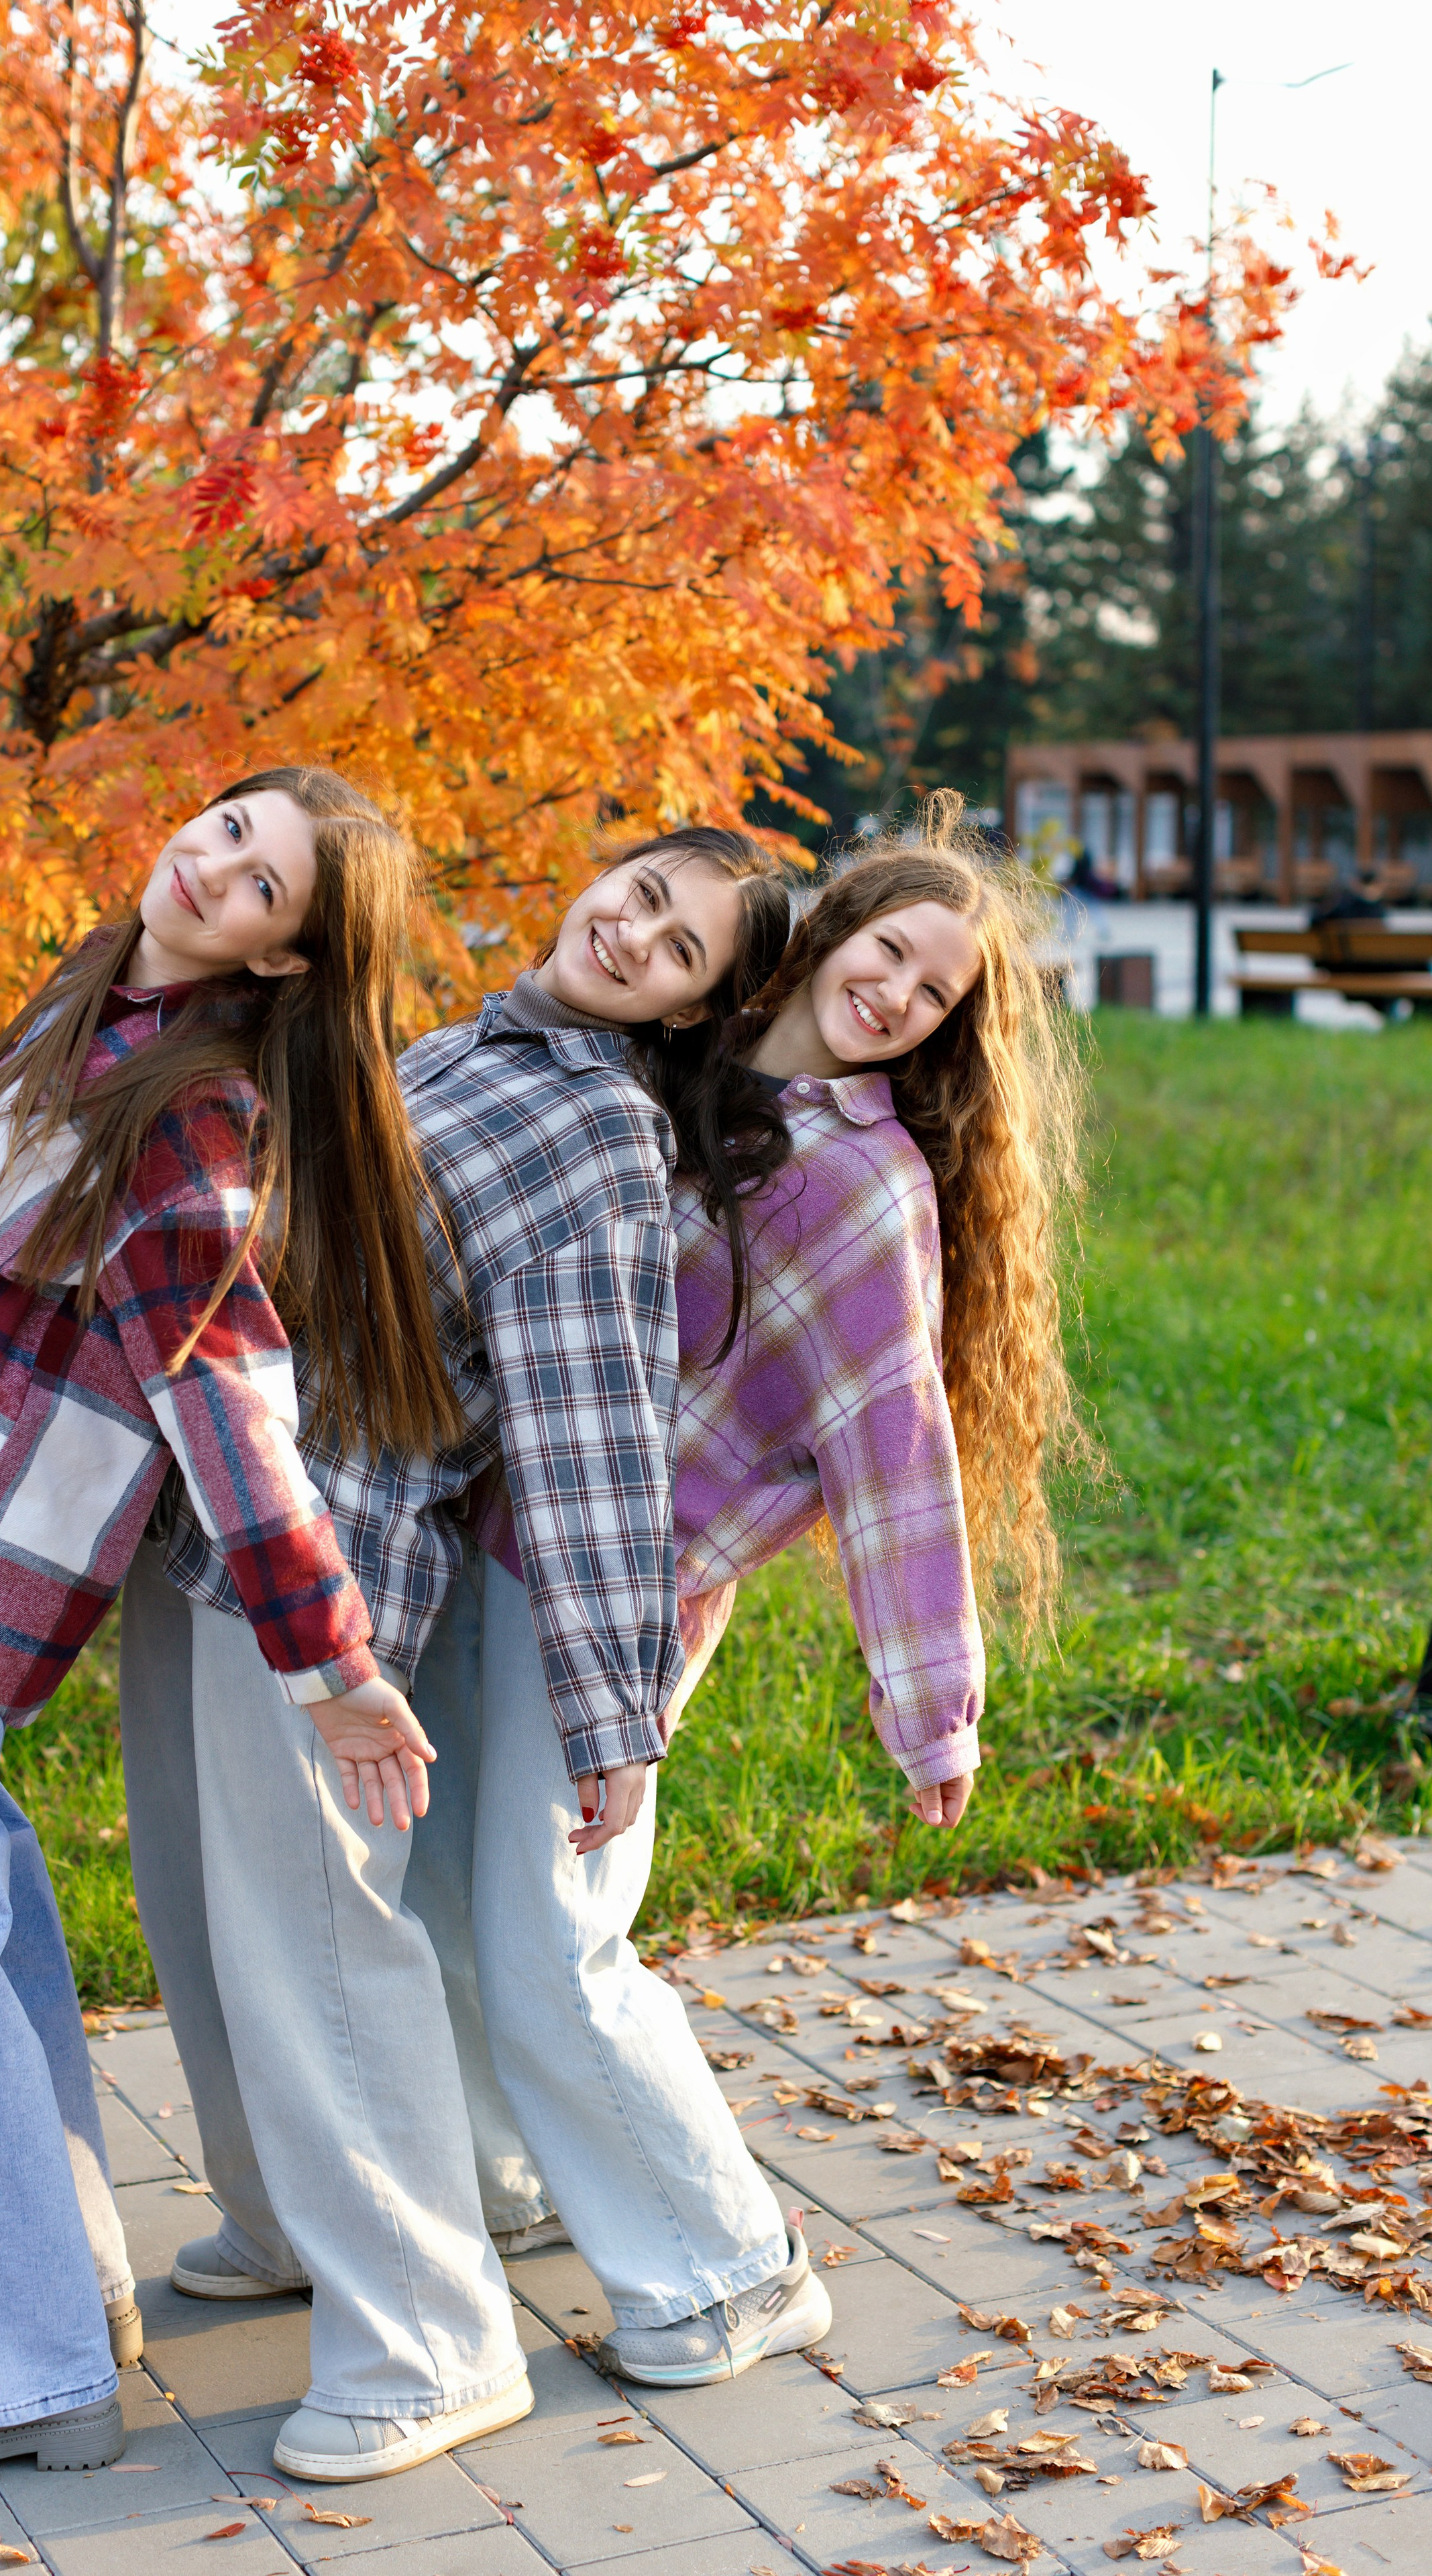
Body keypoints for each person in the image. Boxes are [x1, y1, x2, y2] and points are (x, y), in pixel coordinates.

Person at [0, 767, 459, 2477]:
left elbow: (226, 1398)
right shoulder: (108, 1010)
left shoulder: (187, 1113)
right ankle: (42, 2293)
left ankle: (1, 2363)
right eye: (223, 830)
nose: (215, 870)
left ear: (290, 961)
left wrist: (330, 1661)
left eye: (266, 885)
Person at [122, 824, 798, 2477]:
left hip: (332, 1548)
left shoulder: (595, 1137)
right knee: (206, 1918)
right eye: (639, 890)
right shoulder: (467, 1042)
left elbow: (588, 1449)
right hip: (216, 1507)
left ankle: (432, 2341)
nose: (635, 932)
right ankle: (294, 2217)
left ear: (699, 1007)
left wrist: (609, 1714)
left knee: (320, 1946)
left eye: (684, 945)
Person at [457, 790, 1082, 2385]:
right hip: (493, 1541)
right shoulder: (679, 1074)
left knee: (556, 1935)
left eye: (933, 995)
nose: (895, 994)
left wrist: (930, 1708)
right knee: (466, 1908)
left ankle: (731, 2269)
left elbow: (893, 1450)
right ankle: (511, 2181)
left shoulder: (863, 1190)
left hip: (624, 1596)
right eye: (889, 951)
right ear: (831, 932)